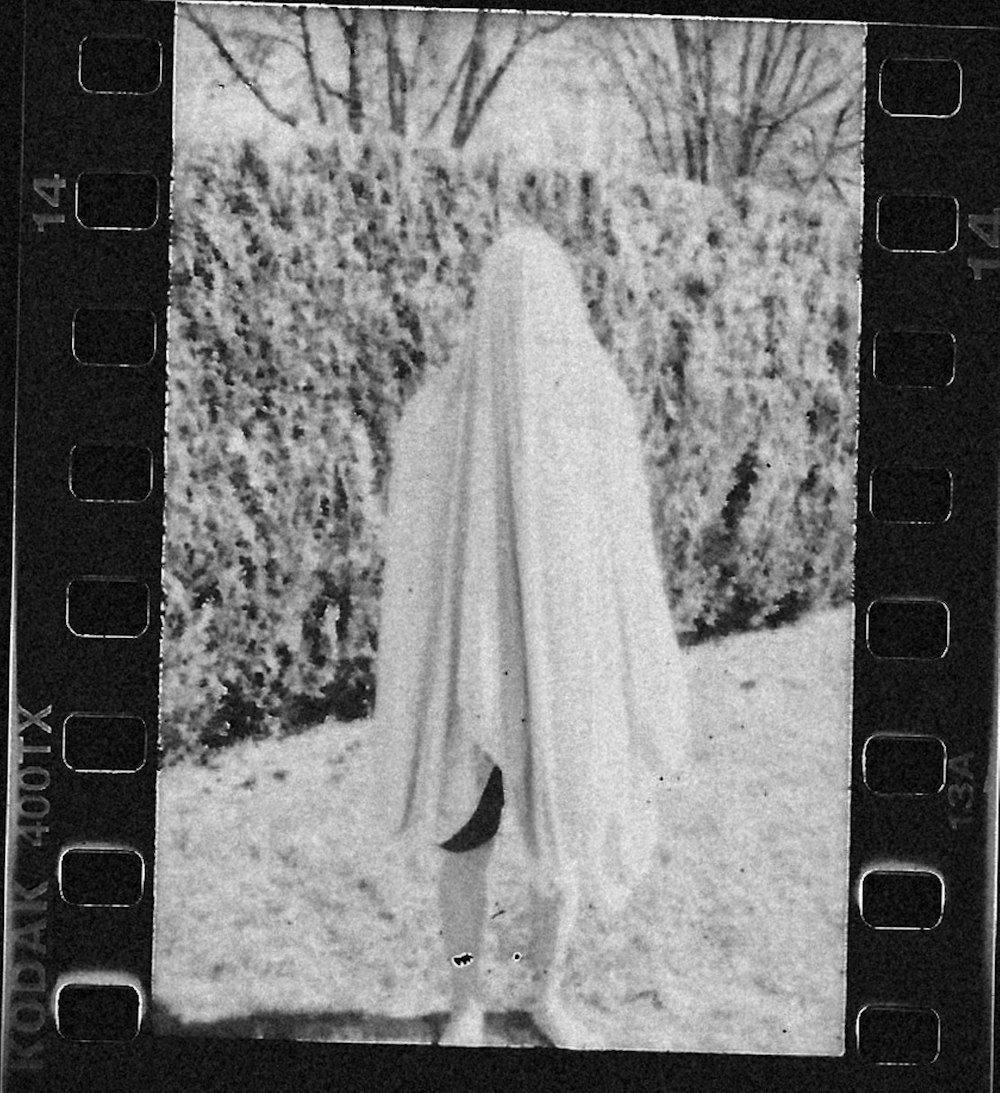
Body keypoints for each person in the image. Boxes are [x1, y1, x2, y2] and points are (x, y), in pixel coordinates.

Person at [371, 226, 689, 1048]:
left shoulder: (594, 406)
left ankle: (547, 994)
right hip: (470, 666)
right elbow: (419, 552)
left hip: (567, 669)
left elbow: (624, 552)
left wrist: (615, 657)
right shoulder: (445, 411)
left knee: (567, 839)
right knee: (466, 842)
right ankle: (467, 999)